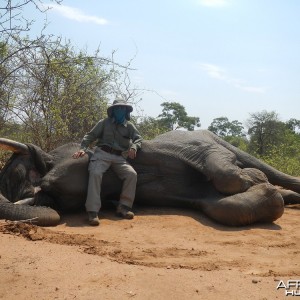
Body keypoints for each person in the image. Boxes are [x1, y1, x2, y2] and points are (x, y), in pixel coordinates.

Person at [72, 98, 142, 226]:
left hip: (119, 157)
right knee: (95, 173)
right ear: (113, 111)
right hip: (102, 154)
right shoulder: (104, 123)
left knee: (132, 174)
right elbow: (90, 136)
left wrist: (134, 147)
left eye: (122, 108)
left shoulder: (129, 126)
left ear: (126, 111)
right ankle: (92, 211)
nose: (120, 110)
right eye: (117, 108)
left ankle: (123, 207)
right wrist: (83, 149)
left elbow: (138, 138)